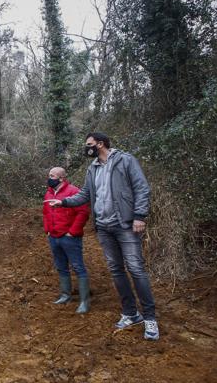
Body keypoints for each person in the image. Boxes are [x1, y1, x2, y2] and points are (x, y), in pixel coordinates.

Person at [45, 133, 159, 340]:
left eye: (89, 145)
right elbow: (85, 195)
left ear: (100, 144)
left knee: (135, 269)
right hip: (104, 227)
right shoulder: (92, 168)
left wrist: (139, 216)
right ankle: (131, 313)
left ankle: (150, 318)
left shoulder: (125, 160)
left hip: (125, 224)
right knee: (116, 270)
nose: (86, 148)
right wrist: (64, 202)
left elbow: (141, 188)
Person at [42, 167, 91, 314]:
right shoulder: (49, 192)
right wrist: (48, 230)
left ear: (61, 178)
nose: (49, 177)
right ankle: (65, 295)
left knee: (78, 267)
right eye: (49, 175)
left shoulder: (73, 191)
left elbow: (83, 213)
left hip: (70, 237)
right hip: (54, 236)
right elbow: (45, 213)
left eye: (52, 175)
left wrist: (73, 232)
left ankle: (84, 302)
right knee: (61, 266)